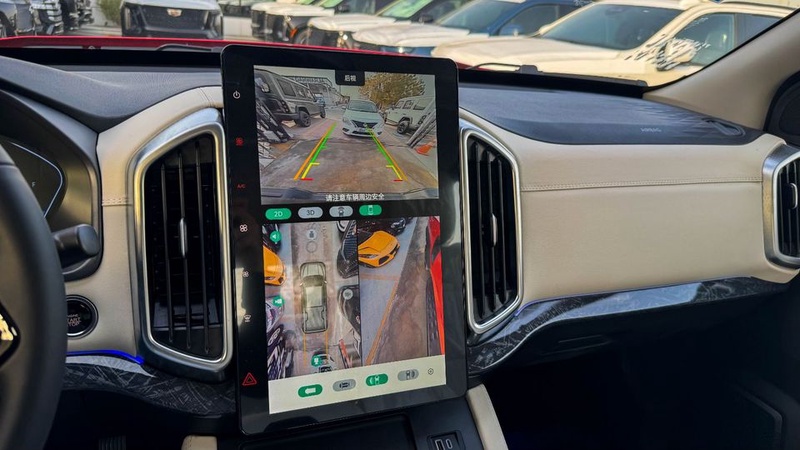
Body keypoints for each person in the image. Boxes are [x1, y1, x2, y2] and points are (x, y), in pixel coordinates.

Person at [255, 77, 292, 143]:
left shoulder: (258, 89)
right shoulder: (258, 90)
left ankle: (281, 136)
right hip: (264, 111)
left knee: (270, 124)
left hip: (263, 112)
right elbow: (263, 100)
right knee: (271, 123)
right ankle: (283, 137)